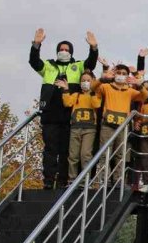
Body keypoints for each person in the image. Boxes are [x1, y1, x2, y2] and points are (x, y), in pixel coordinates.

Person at [29, 28, 99, 188]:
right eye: (61, 49)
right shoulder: (48, 65)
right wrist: (36, 45)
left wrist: (93, 48)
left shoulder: (78, 66)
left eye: (67, 50)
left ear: (71, 52)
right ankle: (48, 180)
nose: (64, 51)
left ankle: (62, 181)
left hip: (69, 115)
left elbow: (91, 63)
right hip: (50, 115)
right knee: (50, 149)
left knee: (66, 151)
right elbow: (34, 62)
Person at [95, 63, 147, 180]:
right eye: (118, 73)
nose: (121, 75)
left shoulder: (130, 91)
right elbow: (94, 87)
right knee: (105, 153)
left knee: (120, 154)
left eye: (124, 74)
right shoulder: (106, 87)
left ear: (127, 76)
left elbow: (144, 96)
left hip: (122, 126)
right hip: (107, 126)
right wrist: (103, 78)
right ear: (114, 74)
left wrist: (139, 84)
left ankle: (118, 180)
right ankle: (104, 179)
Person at [56, 71, 101, 180]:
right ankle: (72, 179)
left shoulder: (96, 94)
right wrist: (66, 89)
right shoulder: (76, 95)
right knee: (73, 156)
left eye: (88, 80)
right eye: (83, 80)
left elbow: (97, 104)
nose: (85, 82)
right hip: (75, 127)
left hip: (90, 128)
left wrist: (93, 91)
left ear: (93, 82)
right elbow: (67, 103)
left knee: (85, 154)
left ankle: (85, 180)